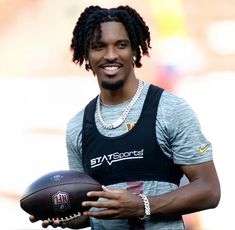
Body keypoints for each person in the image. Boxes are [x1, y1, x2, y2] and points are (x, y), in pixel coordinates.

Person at [30, 5, 220, 229]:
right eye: (99, 46)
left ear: (135, 50)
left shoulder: (170, 109)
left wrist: (143, 205)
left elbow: (209, 190)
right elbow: (89, 205)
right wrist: (68, 215)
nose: (111, 55)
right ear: (86, 55)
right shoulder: (78, 127)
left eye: (121, 45)